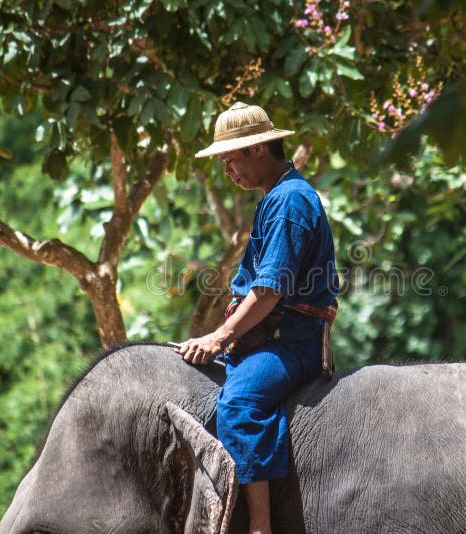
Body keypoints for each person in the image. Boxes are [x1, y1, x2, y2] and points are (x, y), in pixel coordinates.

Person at [176, 102, 339, 534]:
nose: (227, 171)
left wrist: (219, 336)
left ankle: (261, 527)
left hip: (292, 343)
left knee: (239, 404)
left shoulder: (289, 202)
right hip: (270, 340)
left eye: (231, 159)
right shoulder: (275, 196)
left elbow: (267, 294)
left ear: (261, 150)